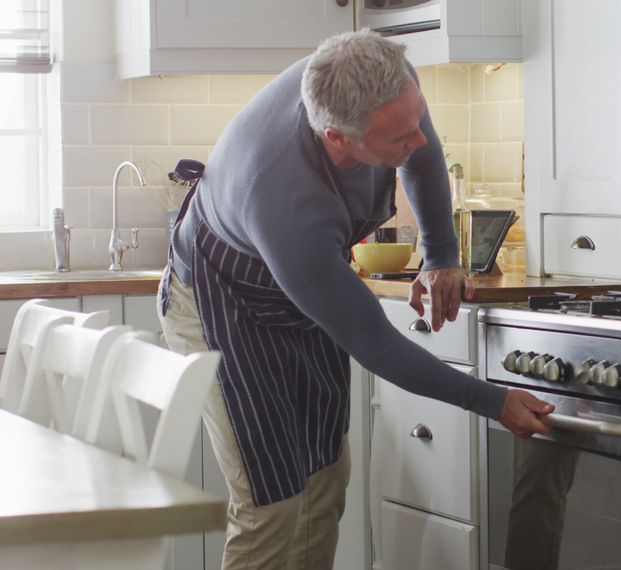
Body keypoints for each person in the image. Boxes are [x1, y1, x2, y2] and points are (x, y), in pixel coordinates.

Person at [157, 29, 554, 569]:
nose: (417, 141)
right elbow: (373, 340)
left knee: (324, 481)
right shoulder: (283, 198)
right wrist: (492, 401)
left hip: (301, 295)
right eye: (397, 139)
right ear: (338, 139)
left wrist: (441, 255)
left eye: (417, 121)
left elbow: (423, 150)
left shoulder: (379, 77)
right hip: (224, 302)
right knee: (271, 502)